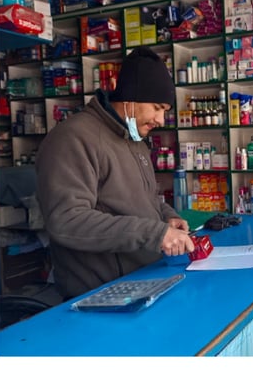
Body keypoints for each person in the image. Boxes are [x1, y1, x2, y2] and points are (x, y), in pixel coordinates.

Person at [36, 46, 194, 301]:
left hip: (144, 281)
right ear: (130, 98)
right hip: (101, 294)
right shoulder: (73, 138)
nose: (161, 119)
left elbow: (145, 198)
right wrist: (154, 234)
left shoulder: (134, 139)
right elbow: (66, 220)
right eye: (157, 107)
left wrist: (166, 217)